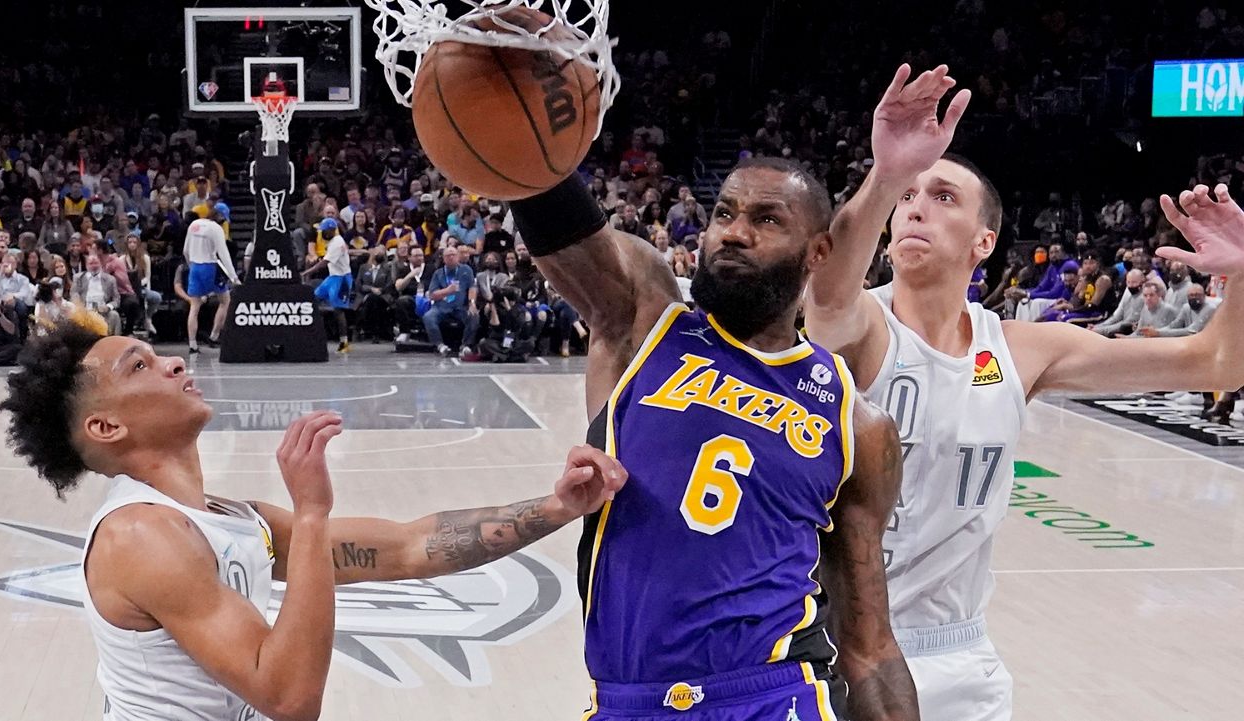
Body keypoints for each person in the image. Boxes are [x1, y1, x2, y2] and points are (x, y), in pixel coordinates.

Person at [802, 63, 1244, 721]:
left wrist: (1242, 272)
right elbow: (827, 293)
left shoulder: (1020, 348)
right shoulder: (865, 326)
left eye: (944, 195)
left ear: (986, 242)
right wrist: (886, 173)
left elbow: (1215, 363)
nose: (917, 205)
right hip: (842, 650)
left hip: (963, 655)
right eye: (909, 198)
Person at [0, 322, 628, 721]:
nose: (174, 364)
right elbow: (289, 698)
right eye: (139, 365)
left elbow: (410, 548)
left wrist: (557, 508)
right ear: (107, 428)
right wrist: (311, 511)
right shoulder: (141, 536)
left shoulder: (225, 518)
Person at [505, 158, 913, 716]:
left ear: (818, 252)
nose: (734, 233)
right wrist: (519, 127)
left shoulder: (857, 421)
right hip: (629, 700)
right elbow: (563, 227)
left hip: (776, 695)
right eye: (724, 213)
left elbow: (869, 642)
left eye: (767, 220)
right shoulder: (642, 324)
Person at [183, 217, 238, 353]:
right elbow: (223, 253)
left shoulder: (194, 224)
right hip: (210, 266)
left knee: (194, 307)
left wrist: (191, 266)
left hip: (195, 266)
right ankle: (214, 336)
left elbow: (186, 250)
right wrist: (233, 276)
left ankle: (192, 344)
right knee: (225, 301)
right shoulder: (216, 229)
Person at [303, 218, 353, 353]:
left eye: (324, 231)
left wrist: (306, 272)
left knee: (338, 309)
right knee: (313, 299)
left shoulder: (337, 242)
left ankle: (344, 342)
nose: (322, 233)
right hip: (332, 277)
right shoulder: (332, 241)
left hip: (342, 278)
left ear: (331, 230)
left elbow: (324, 263)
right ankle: (312, 334)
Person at [423, 245, 479, 358]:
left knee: (474, 315)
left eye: (453, 255)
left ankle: (466, 345)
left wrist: (472, 302)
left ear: (458, 256)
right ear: (443, 259)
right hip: (441, 307)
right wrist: (447, 291)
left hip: (460, 307)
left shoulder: (466, 270)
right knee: (428, 317)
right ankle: (440, 345)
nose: (451, 257)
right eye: (448, 255)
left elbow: (472, 287)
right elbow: (432, 295)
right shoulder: (438, 273)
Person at [72, 252, 124, 336]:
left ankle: (115, 342)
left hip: (103, 311)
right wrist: (80, 306)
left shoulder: (110, 279)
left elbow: (116, 299)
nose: (94, 266)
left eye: (96, 263)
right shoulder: (78, 278)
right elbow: (74, 294)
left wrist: (108, 307)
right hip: (85, 311)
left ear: (100, 264)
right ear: (86, 265)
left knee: (114, 315)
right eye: (91, 263)